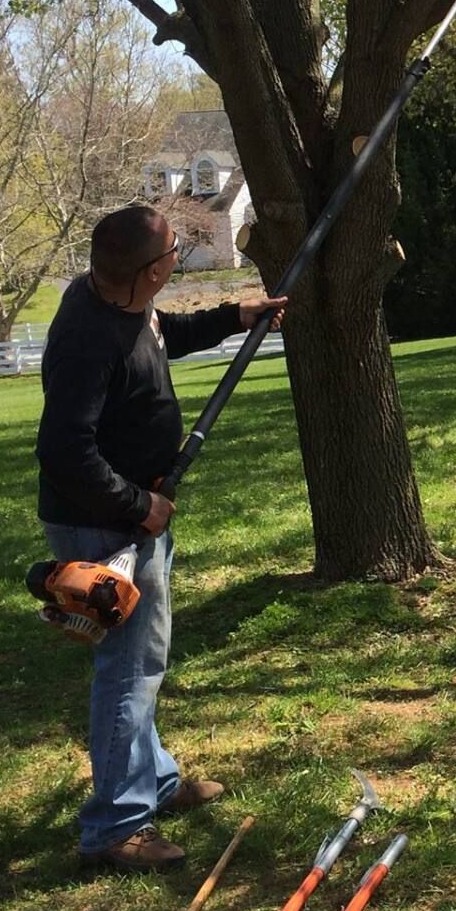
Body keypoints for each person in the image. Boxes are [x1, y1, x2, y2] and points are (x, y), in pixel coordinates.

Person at [36, 206, 286, 872]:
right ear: (153, 270)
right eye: (175, 250)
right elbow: (63, 450)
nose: (181, 254)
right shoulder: (88, 337)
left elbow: (160, 335)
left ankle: (155, 780)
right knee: (129, 671)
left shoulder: (119, 300)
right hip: (105, 525)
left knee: (138, 663)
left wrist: (235, 316)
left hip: (126, 515)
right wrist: (137, 504)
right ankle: (117, 826)